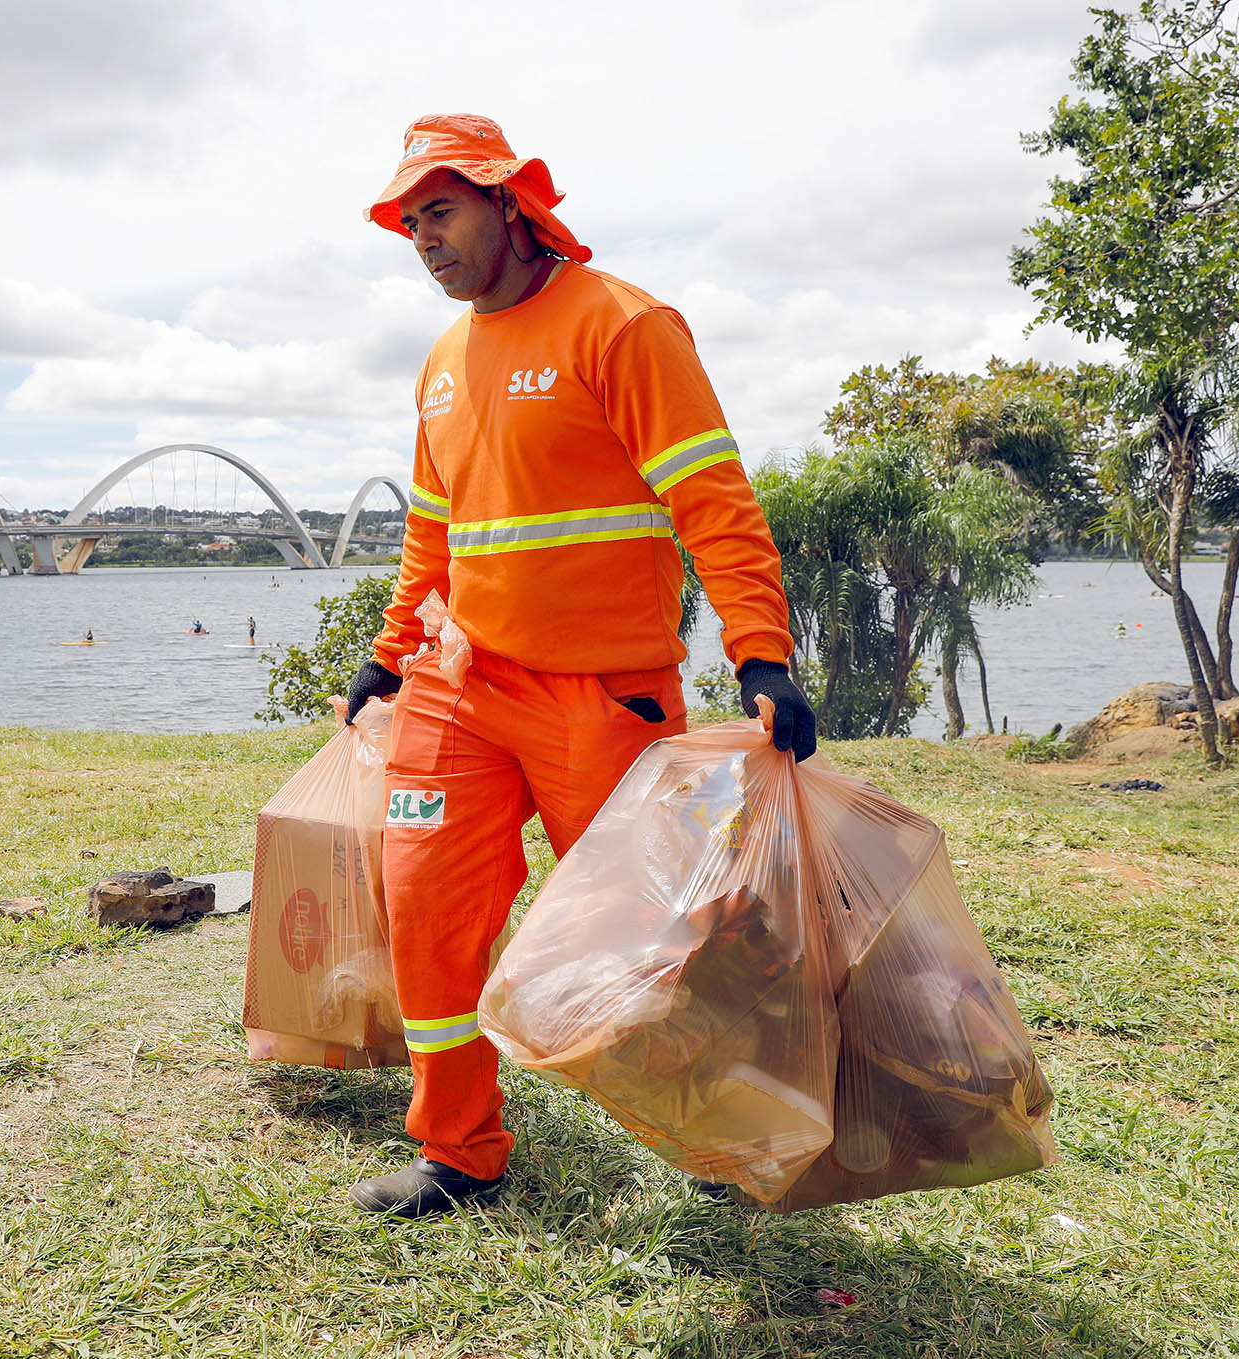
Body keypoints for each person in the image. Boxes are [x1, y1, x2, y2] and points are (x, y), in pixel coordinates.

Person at [340, 115, 817, 1218]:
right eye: (410, 222)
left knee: (658, 939)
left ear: (513, 204)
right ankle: (459, 1151)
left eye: (442, 211)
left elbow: (713, 500)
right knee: (424, 912)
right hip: (459, 688)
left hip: (603, 696)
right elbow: (432, 531)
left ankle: (717, 1139)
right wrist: (386, 651)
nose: (424, 238)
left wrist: (761, 650)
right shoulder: (443, 362)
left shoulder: (625, 326)